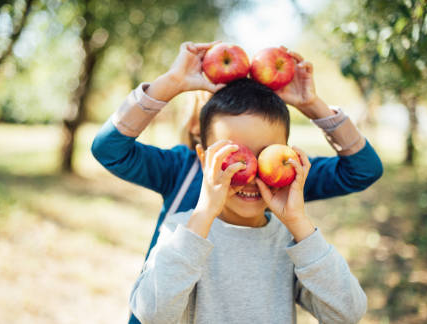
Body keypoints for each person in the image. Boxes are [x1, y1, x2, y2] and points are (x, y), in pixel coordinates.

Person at [90, 41, 382, 323]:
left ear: (286, 155)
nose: (251, 172)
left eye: (267, 154)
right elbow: (152, 313)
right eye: (233, 154)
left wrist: (313, 106)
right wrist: (171, 83)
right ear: (203, 158)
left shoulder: (289, 231)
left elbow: (347, 312)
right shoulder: (180, 205)